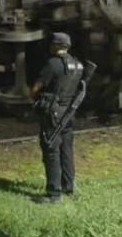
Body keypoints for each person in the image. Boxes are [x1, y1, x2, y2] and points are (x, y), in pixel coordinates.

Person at [30, 32, 84, 203]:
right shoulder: (77, 65)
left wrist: (32, 97)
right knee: (66, 150)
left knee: (51, 150)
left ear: (55, 46)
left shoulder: (52, 65)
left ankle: (53, 193)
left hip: (52, 113)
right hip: (68, 113)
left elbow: (37, 87)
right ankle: (68, 186)